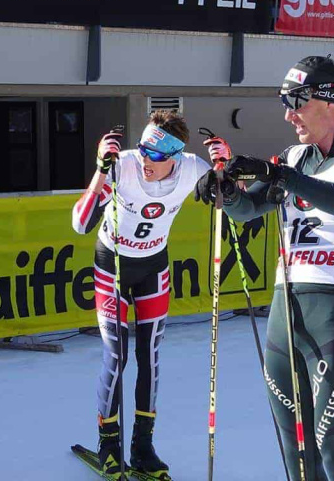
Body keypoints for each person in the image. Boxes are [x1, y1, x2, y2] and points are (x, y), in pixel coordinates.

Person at [194, 55, 334, 481]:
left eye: (296, 103)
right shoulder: (295, 156)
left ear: (328, 100)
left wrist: (279, 175)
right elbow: (247, 209)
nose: (288, 115)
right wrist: (224, 192)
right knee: (298, 456)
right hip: (283, 317)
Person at [71, 111, 230, 480]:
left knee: (150, 357)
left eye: (156, 156)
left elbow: (229, 200)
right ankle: (108, 445)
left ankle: (143, 447)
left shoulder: (192, 168)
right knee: (117, 354)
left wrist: (226, 168)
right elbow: (80, 224)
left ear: (174, 156)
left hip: (153, 267)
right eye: (143, 150)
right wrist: (100, 171)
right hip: (112, 264)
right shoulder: (122, 165)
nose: (146, 161)